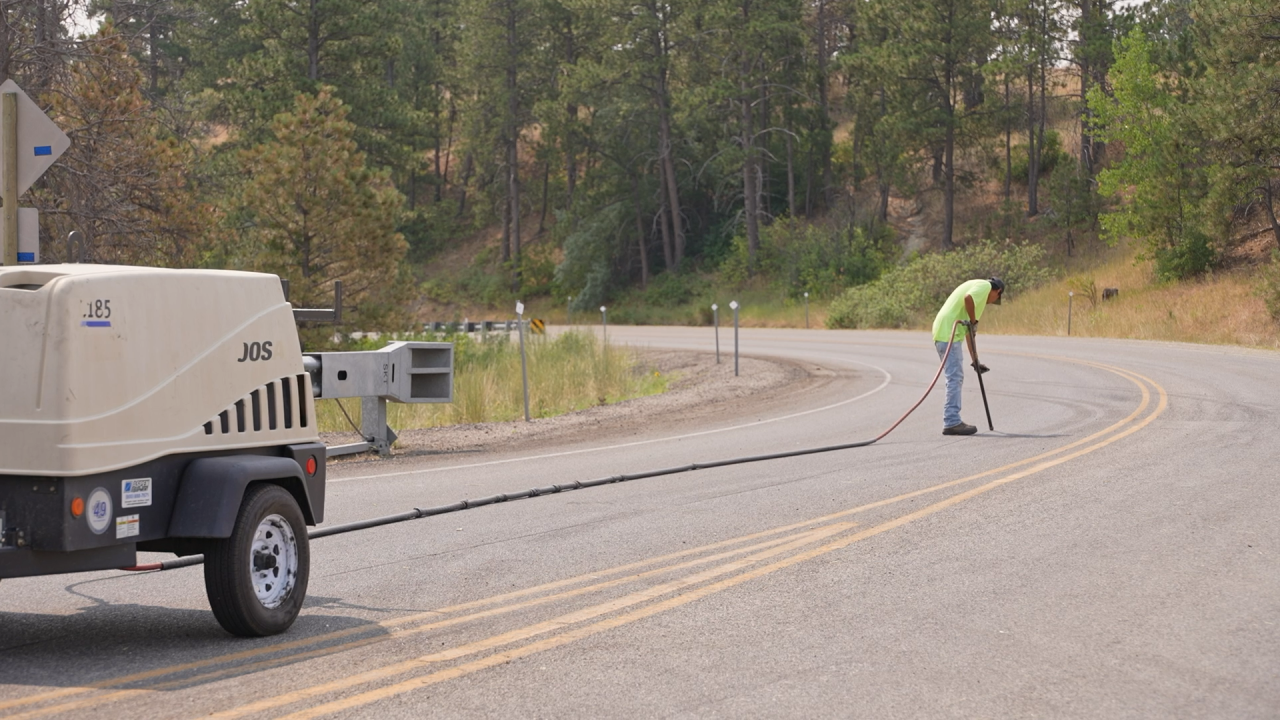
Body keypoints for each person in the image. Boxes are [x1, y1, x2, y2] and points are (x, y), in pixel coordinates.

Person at [932, 277, 1004, 435]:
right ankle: (951, 421)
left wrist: (975, 361)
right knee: (954, 377)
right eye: (995, 299)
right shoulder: (984, 286)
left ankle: (952, 420)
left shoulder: (975, 304)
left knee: (955, 377)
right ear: (997, 291)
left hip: (946, 332)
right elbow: (968, 298)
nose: (991, 303)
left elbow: (969, 334)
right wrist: (973, 320)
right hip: (947, 333)